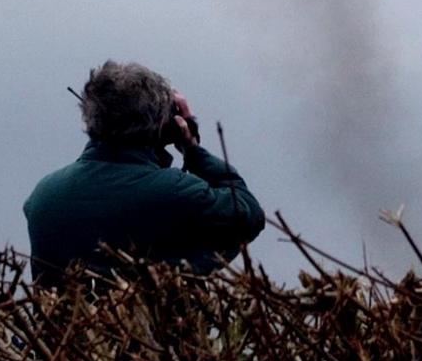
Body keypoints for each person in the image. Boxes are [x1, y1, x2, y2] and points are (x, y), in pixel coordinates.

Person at [23, 60, 264, 286]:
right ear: (163, 126)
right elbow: (247, 214)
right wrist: (192, 149)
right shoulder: (174, 191)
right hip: (151, 330)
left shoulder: (43, 196)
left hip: (60, 330)